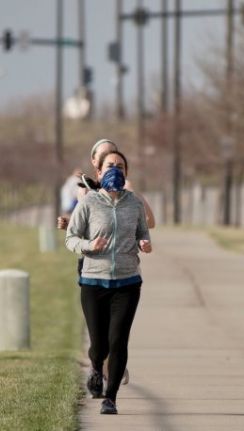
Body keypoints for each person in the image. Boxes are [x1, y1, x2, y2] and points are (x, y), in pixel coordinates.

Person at [65, 150, 152, 415]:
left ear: (126, 173)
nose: (116, 169)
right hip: (93, 282)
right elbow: (71, 239)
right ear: (99, 172)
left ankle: (110, 397)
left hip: (127, 283)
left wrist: (144, 243)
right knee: (99, 346)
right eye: (110, 166)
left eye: (121, 166)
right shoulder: (89, 203)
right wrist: (90, 245)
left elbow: (143, 233)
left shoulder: (134, 203)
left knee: (118, 342)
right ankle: (95, 367)